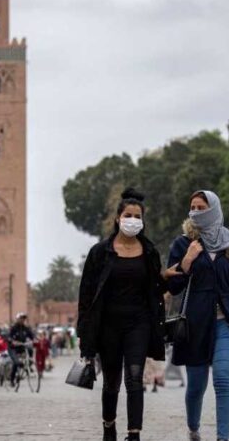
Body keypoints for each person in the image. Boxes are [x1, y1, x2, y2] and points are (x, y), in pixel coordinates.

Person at [166, 190, 229, 441]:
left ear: (214, 209)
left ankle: (223, 438)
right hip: (195, 325)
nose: (196, 212)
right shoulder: (182, 243)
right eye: (192, 207)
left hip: (225, 325)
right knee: (196, 387)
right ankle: (193, 427)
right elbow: (173, 288)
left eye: (202, 207)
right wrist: (186, 262)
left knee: (223, 379)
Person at [77, 188, 167, 441]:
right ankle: (109, 426)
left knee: (135, 377)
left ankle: (134, 433)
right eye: (128, 214)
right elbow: (86, 295)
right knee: (111, 381)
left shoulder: (149, 252)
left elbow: (156, 288)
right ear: (118, 218)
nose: (133, 220)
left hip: (138, 324)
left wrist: (174, 274)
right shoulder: (100, 252)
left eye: (138, 216)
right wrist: (84, 331)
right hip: (107, 325)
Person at [8, 312, 35, 386]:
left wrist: (35, 339)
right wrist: (12, 341)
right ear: (17, 319)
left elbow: (32, 336)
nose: (22, 320)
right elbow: (8, 337)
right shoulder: (13, 328)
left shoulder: (26, 328)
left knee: (30, 349)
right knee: (16, 363)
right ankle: (12, 380)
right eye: (21, 318)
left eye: (24, 318)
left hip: (21, 347)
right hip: (12, 348)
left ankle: (28, 364)